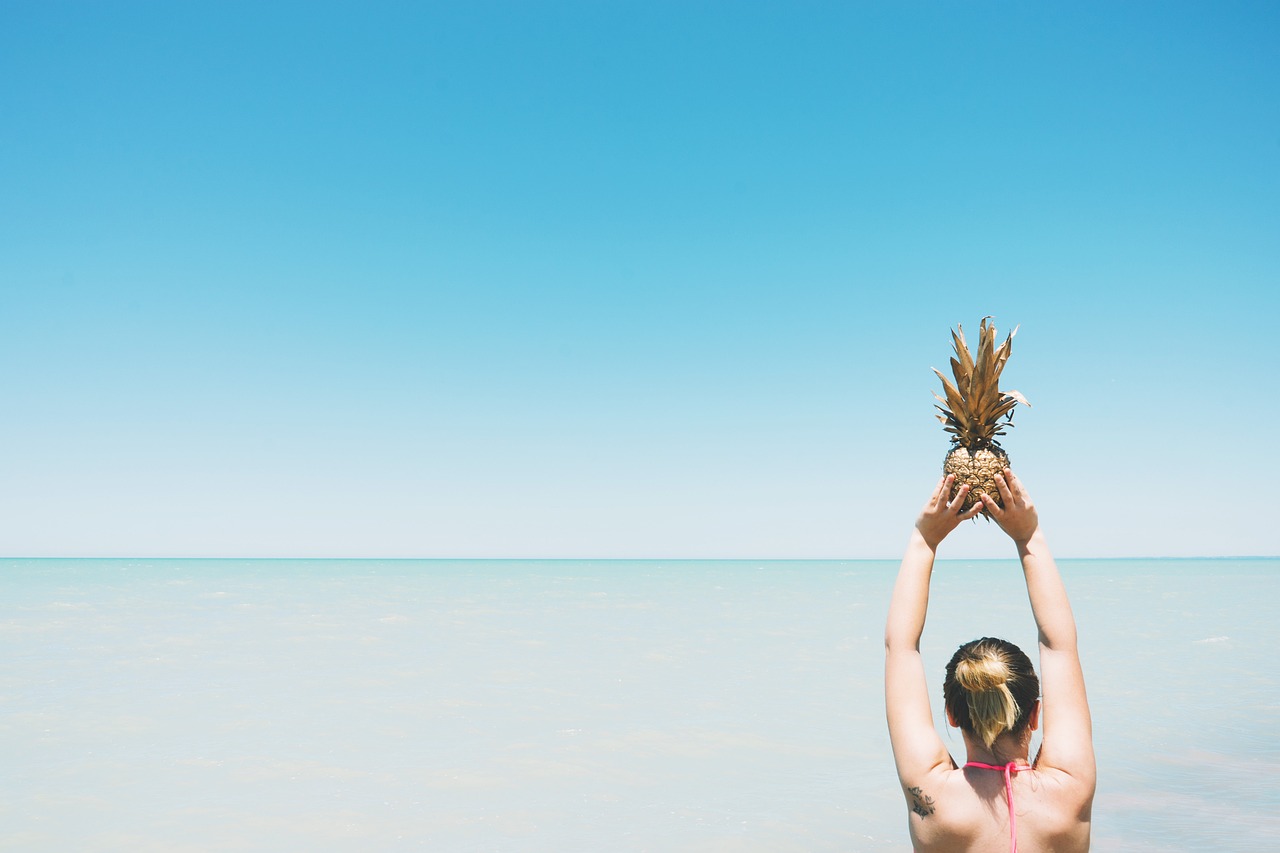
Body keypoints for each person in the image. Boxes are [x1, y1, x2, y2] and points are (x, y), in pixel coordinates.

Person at [884, 469, 1095, 852]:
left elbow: (901, 647)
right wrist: (1029, 536)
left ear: (951, 713)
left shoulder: (932, 795)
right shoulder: (1069, 789)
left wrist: (924, 540)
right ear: (1034, 713)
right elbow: (1060, 646)